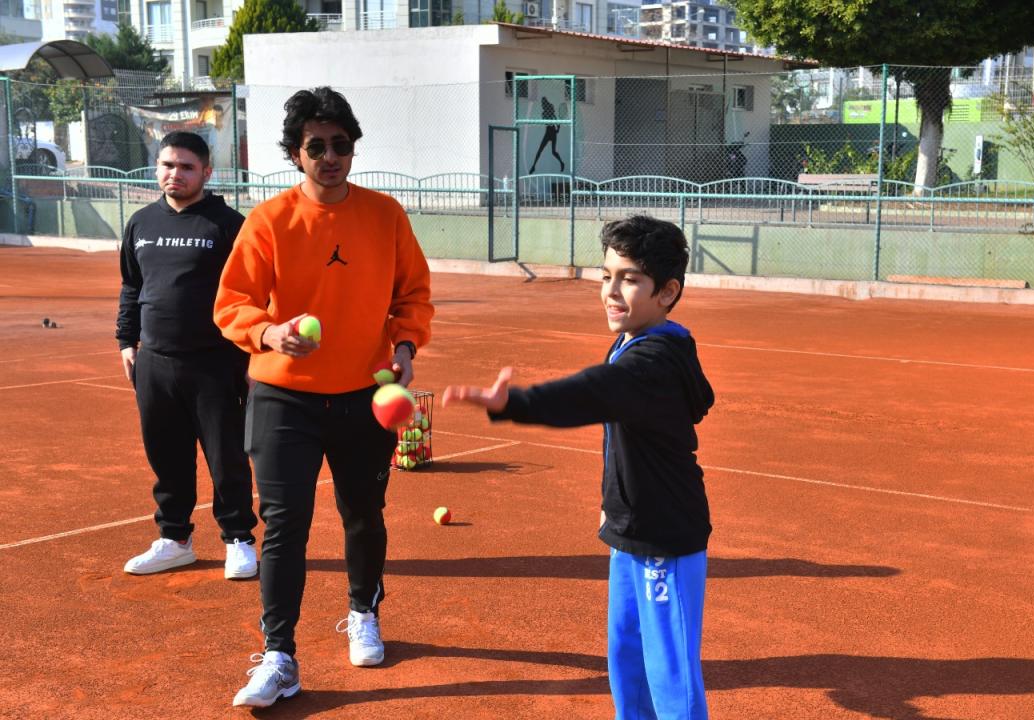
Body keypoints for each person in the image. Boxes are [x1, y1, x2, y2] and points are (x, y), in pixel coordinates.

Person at [442, 215, 715, 720]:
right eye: (606, 275)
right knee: (627, 660)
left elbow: (595, 392)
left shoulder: (653, 358)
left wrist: (517, 403)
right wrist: (616, 508)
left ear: (667, 291)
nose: (611, 290)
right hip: (630, 531)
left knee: (670, 674)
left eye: (629, 278)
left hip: (666, 540)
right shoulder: (635, 339)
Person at [213, 87, 434, 708]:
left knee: (364, 515)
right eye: (317, 146)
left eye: (341, 145)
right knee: (285, 526)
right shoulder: (269, 221)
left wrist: (406, 347)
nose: (330, 156)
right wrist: (269, 331)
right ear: (294, 153)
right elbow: (232, 303)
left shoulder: (386, 215)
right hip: (282, 398)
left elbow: (412, 295)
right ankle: (280, 655)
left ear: (352, 149)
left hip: (365, 395)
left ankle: (364, 609)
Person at [115, 131, 258, 581]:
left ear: (206, 173)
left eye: (186, 167)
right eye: (167, 165)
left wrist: (251, 355)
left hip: (215, 362)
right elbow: (132, 287)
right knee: (166, 455)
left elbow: (253, 293)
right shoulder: (140, 223)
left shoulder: (227, 225)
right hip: (154, 362)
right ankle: (175, 540)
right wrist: (126, 342)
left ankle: (239, 539)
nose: (174, 174)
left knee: (225, 456)